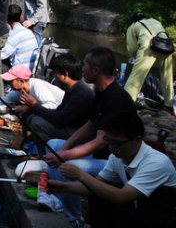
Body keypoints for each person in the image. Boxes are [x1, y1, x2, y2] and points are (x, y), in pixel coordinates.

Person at [42, 47, 137, 228]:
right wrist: (63, 149)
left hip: (116, 163)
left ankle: (74, 219)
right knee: (53, 144)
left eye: (86, 64)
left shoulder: (115, 97)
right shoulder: (101, 93)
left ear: (96, 70)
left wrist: (63, 156)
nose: (82, 68)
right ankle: (61, 203)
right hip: (101, 157)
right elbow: (90, 126)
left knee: (67, 167)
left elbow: (101, 141)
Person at [49, 111, 176, 227]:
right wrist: (64, 187)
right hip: (137, 207)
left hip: (156, 215)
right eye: (107, 141)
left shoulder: (156, 163)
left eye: (116, 143)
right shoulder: (118, 156)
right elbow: (95, 186)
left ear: (137, 140)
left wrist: (81, 175)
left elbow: (122, 197)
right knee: (98, 193)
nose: (110, 147)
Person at [21, 52, 94, 155]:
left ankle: (46, 157)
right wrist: (36, 110)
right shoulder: (71, 89)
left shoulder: (81, 94)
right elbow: (58, 111)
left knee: (37, 122)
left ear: (65, 75)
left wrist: (35, 105)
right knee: (32, 118)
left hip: (80, 135)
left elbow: (59, 120)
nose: (54, 76)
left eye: (56, 73)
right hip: (69, 128)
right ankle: (40, 153)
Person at [0, 64, 64, 125]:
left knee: (33, 118)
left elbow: (53, 106)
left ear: (21, 81)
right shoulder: (18, 91)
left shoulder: (38, 87)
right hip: (49, 114)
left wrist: (32, 106)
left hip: (62, 113)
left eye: (11, 81)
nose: (9, 84)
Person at [123, 12, 174, 114]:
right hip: (166, 45)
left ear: (133, 20)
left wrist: (135, 58)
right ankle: (168, 105)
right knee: (167, 76)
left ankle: (126, 102)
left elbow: (132, 48)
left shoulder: (133, 26)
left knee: (137, 75)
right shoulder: (155, 21)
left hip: (148, 46)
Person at [1, 3, 38, 71]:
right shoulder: (30, 32)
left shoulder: (13, 35)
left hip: (20, 72)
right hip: (31, 68)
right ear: (21, 17)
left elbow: (2, 55)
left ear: (6, 19)